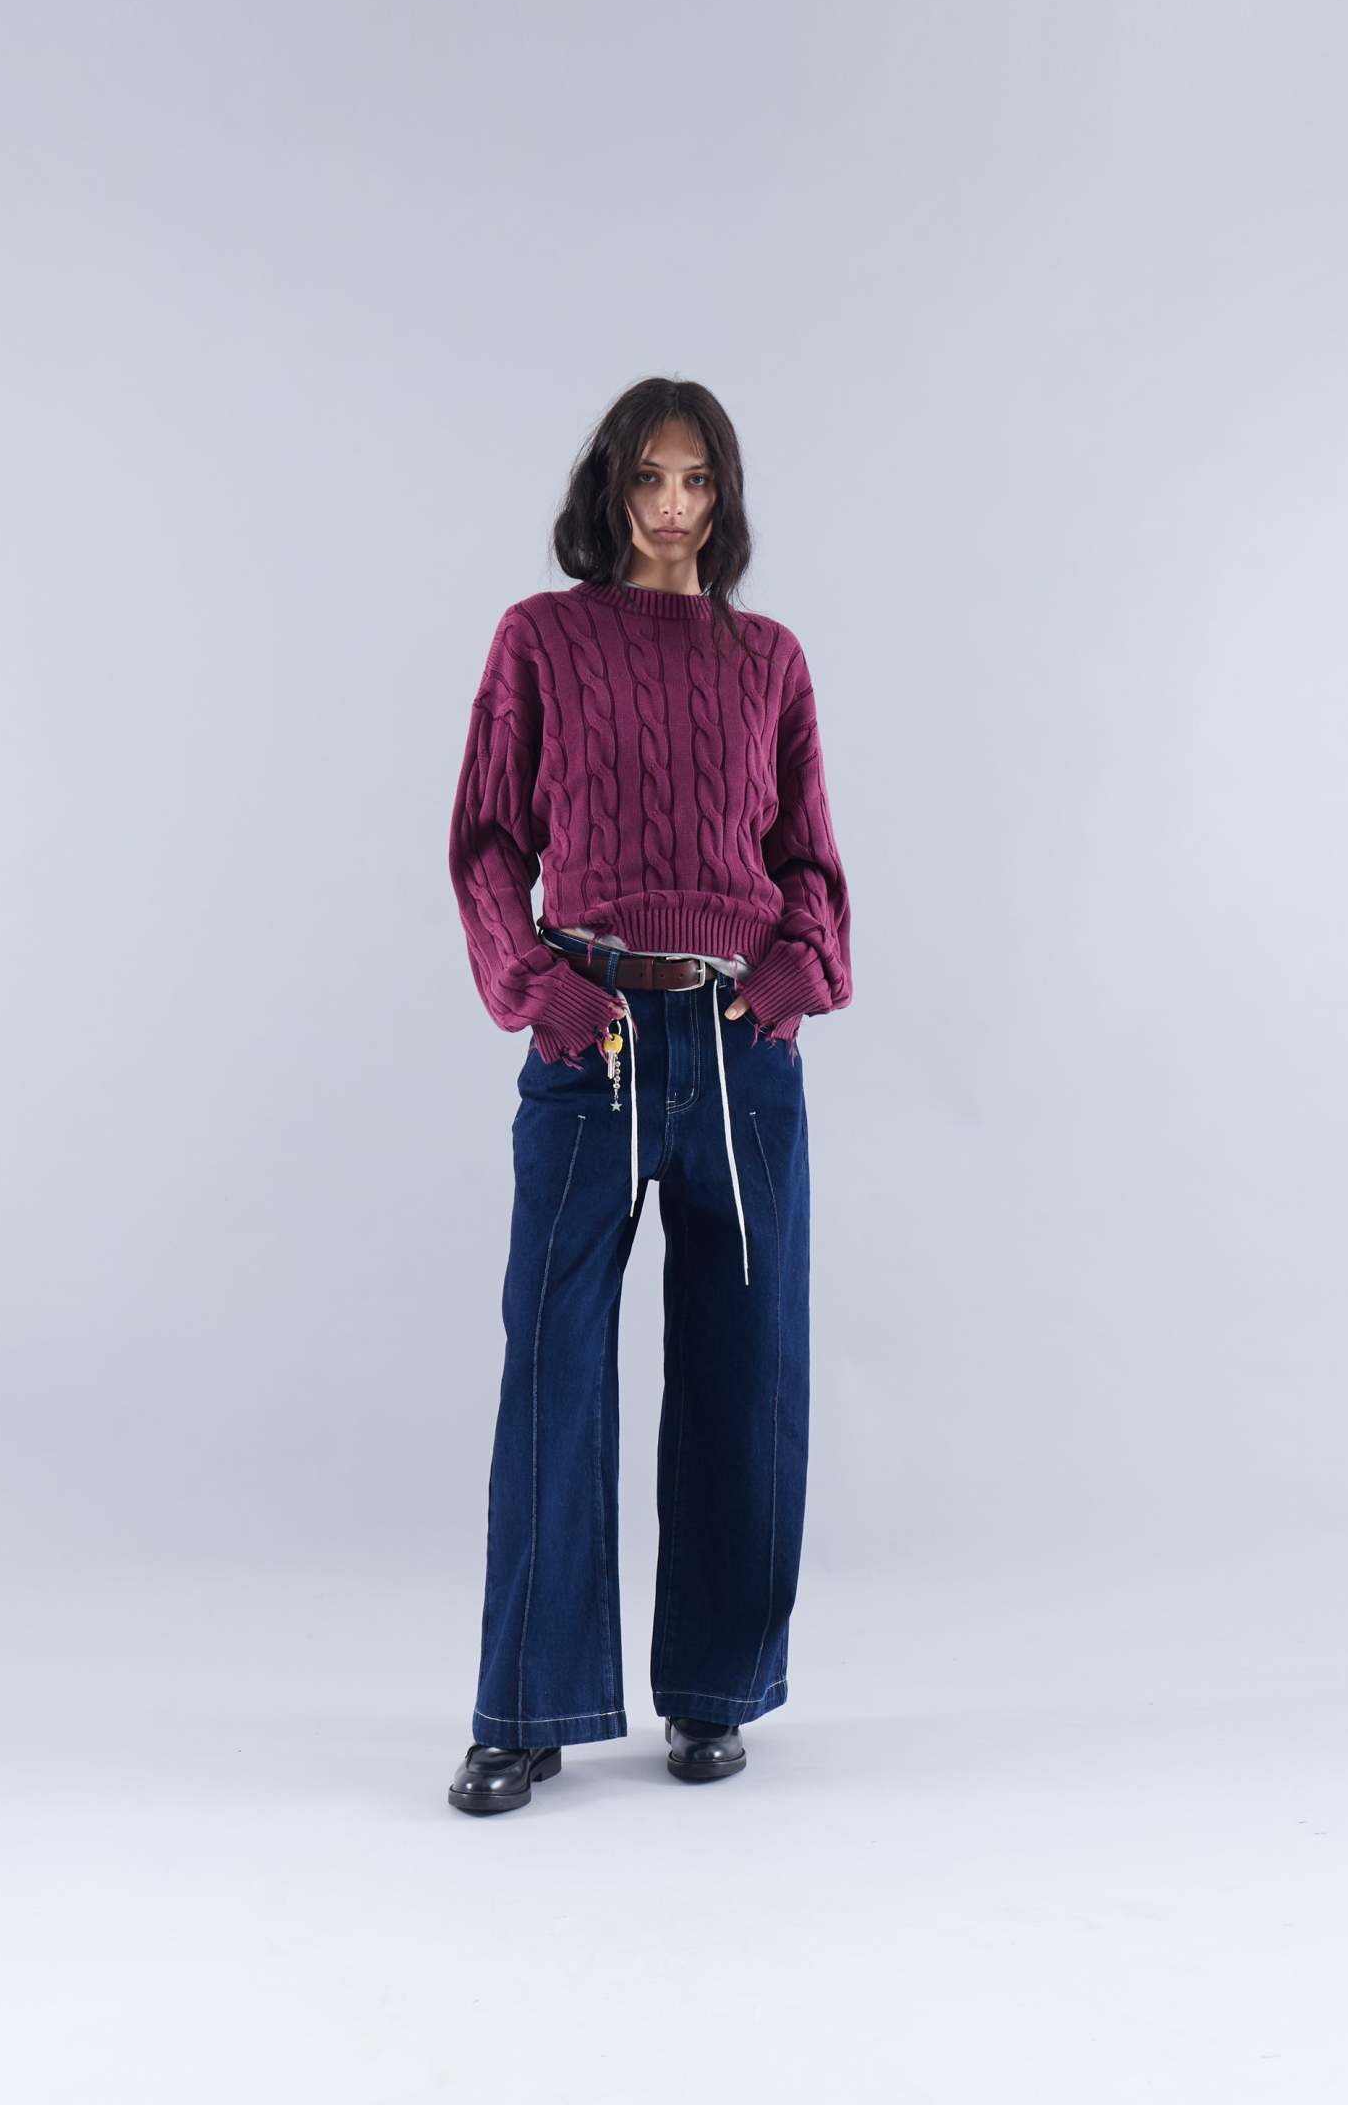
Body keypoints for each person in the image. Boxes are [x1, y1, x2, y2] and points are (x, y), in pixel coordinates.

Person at [444, 377, 852, 1814]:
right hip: (593, 1041)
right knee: (552, 1372)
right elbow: (487, 843)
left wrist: (793, 975)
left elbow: (808, 860)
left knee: (747, 1372)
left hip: (739, 1047)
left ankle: (715, 1692)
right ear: (608, 487)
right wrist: (536, 986)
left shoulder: (769, 659)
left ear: (722, 498)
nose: (673, 508)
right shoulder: (540, 640)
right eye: (649, 479)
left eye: (698, 482)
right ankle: (527, 1709)